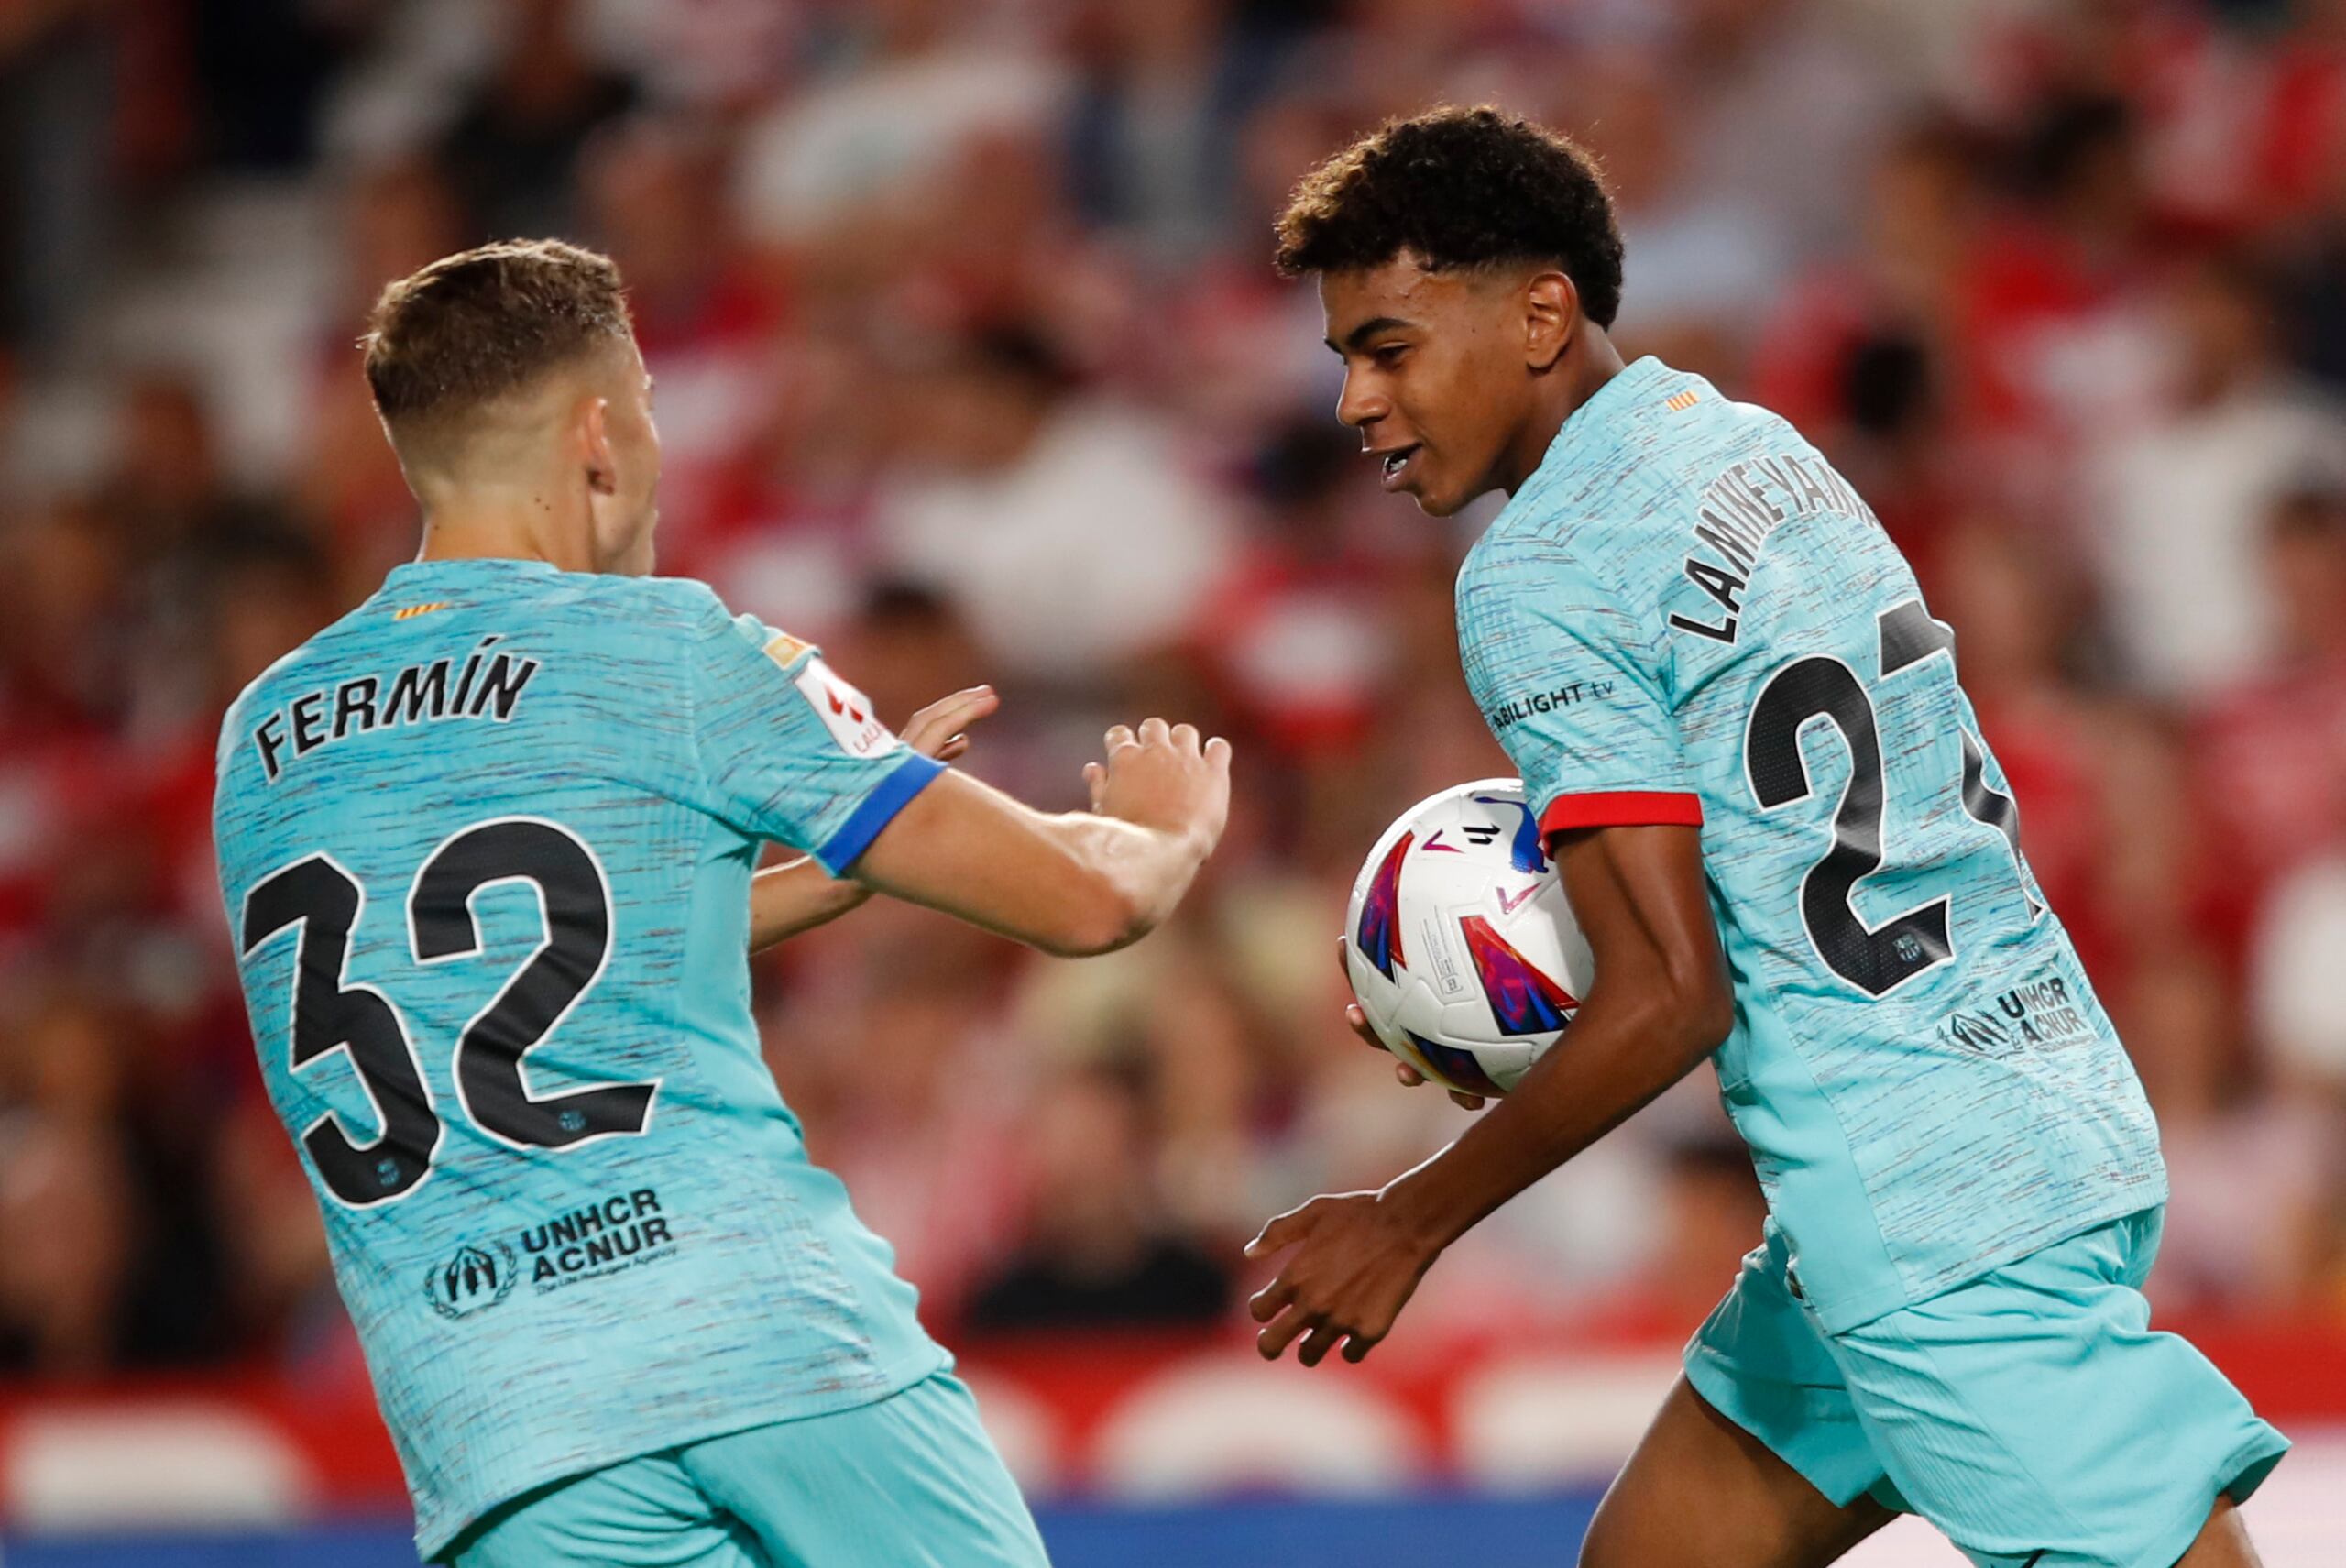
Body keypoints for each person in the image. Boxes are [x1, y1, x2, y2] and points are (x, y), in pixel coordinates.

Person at [1244, 107, 2285, 1568]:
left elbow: (1676, 993)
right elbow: (1760, 856)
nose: (1355, 398)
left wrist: (1407, 1222)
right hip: (2038, 1092)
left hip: (1918, 1201)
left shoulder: (1534, 571)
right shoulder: (1751, 447)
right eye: (1343, 354)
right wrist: (1483, 1000)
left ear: (1543, 314)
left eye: (1390, 346)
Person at [210, 239, 1231, 1568]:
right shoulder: (676, 650)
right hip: (762, 1342)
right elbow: (1092, 903)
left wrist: (849, 865)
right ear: (596, 435)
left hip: (496, 1425)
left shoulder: (260, 736)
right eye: (642, 404)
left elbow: (498, 965)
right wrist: (1173, 825)